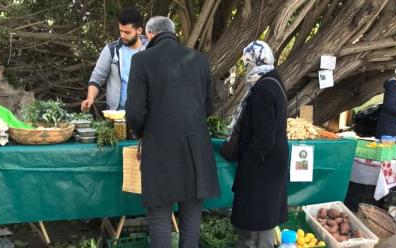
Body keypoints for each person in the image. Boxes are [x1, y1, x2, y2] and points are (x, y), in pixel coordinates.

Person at [125, 16, 220, 248]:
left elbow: (134, 112)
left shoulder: (142, 60)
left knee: (159, 216)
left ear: (149, 35)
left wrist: (143, 133)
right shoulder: (199, 60)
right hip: (195, 146)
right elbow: (209, 106)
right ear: (173, 32)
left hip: (159, 148)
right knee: (191, 214)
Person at [230, 41, 289, 248]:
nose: (247, 68)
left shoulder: (263, 89)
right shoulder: (275, 81)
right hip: (272, 162)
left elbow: (264, 138)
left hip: (263, 165)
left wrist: (248, 163)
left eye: (247, 64)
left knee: (256, 220)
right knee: (263, 215)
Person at [81, 8, 148, 112]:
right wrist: (90, 98)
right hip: (116, 114)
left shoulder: (152, 50)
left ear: (139, 30)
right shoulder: (111, 50)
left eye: (127, 32)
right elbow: (97, 77)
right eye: (121, 31)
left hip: (146, 115)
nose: (122, 35)